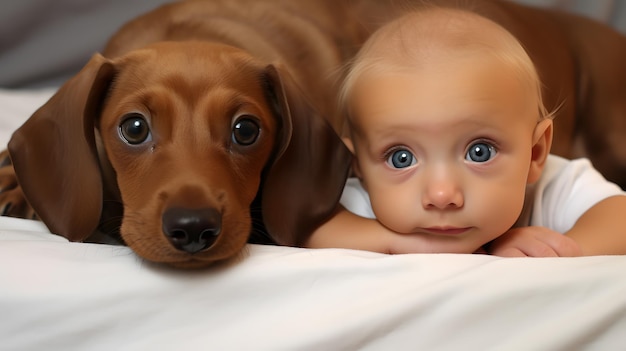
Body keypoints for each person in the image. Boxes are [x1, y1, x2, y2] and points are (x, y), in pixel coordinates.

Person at [306, 6, 626, 257]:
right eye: (401, 158)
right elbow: (308, 230)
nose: (442, 195)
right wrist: (394, 241)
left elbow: (619, 217)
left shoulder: (551, 186)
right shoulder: (364, 200)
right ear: (359, 166)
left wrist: (561, 250)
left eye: (479, 152)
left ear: (536, 152)